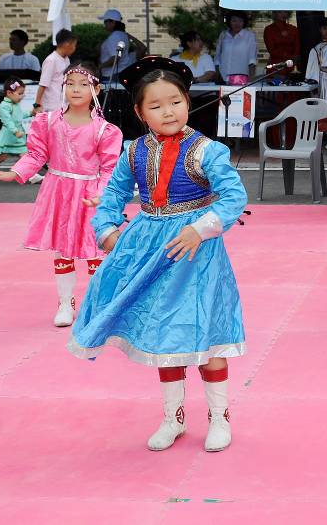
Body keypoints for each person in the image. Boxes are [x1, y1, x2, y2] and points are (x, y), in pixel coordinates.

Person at [70, 56, 247, 453]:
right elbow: (113, 196)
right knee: (163, 333)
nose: (168, 111)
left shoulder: (208, 150)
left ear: (187, 101)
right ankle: (173, 418)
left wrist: (199, 229)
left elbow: (235, 196)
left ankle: (219, 417)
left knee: (206, 331)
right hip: (147, 251)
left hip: (196, 252)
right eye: (155, 105)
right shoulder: (133, 152)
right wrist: (108, 232)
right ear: (139, 111)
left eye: (176, 101)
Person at [0, 65, 124, 328]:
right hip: (58, 191)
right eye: (70, 83)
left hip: (90, 194)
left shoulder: (104, 130)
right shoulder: (48, 122)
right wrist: (13, 173)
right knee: (63, 248)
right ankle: (65, 302)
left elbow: (109, 168)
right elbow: (37, 155)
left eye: (83, 84)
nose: (75, 89)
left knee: (95, 250)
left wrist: (102, 196)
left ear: (96, 90)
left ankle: (95, 304)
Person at [0, 79, 31, 184]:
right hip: (9, 135)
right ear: (9, 93)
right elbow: (7, 121)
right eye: (20, 93)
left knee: (24, 155)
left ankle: (31, 175)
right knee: (2, 157)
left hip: (16, 135)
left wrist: (31, 113)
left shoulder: (14, 104)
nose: (22, 96)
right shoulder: (4, 106)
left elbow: (19, 115)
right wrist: (15, 131)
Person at [36, 29, 77, 114]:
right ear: (66, 44)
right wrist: (36, 105)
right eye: (74, 45)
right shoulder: (51, 60)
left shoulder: (66, 59)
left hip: (64, 104)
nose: (74, 49)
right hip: (51, 107)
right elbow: (43, 84)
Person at [214, 11, 258, 86]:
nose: (237, 23)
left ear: (244, 22)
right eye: (234, 20)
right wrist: (217, 75)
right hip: (223, 78)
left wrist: (251, 80)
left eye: (240, 21)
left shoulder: (249, 36)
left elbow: (252, 59)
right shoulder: (223, 35)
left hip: (241, 79)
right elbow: (217, 58)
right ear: (229, 21)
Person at [99, 9, 143, 81]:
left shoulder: (114, 37)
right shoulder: (122, 35)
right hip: (118, 74)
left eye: (105, 22)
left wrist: (99, 67)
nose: (104, 24)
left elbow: (115, 58)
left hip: (111, 76)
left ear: (112, 22)